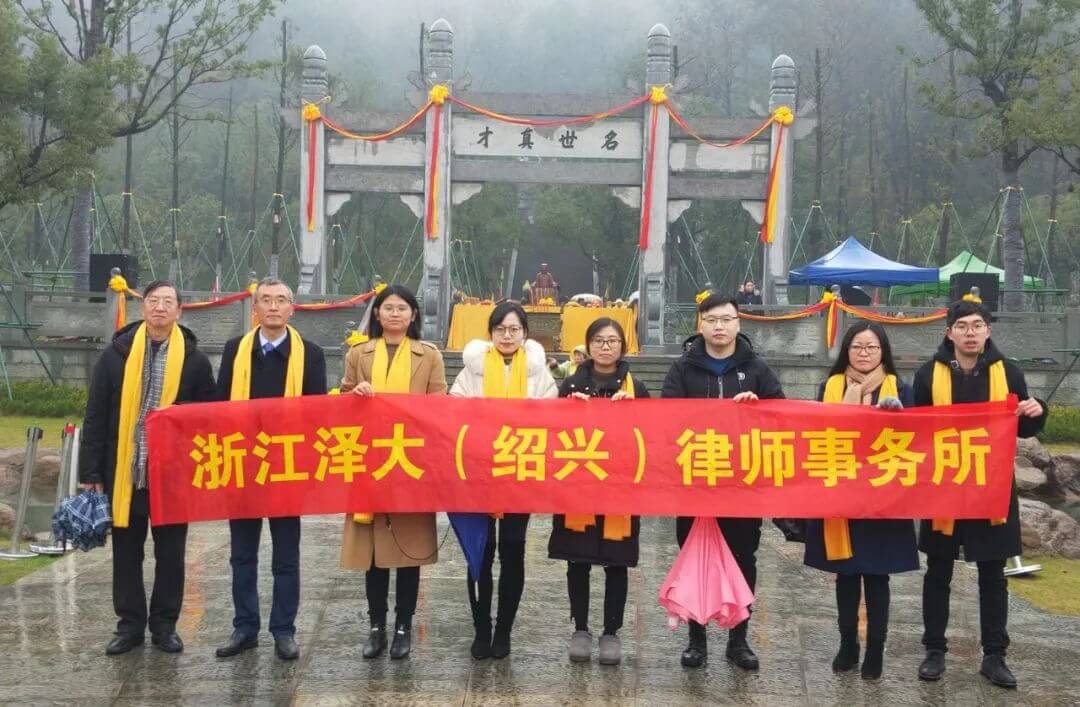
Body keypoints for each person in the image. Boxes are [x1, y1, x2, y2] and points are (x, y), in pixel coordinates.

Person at [914, 299, 1047, 689]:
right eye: (962, 326)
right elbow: (914, 429)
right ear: (949, 332)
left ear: (988, 330)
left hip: (992, 488)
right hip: (944, 486)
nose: (970, 333)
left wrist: (1037, 410)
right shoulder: (928, 374)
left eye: (977, 325)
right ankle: (934, 650)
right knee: (938, 572)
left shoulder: (1009, 373)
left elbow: (1022, 428)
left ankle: (994, 656)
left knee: (993, 574)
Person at [79, 280, 215, 656]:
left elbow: (209, 417)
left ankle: (165, 626)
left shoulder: (194, 361)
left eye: (168, 302)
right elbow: (95, 415)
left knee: (170, 555)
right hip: (124, 471)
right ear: (143, 308)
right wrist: (90, 473)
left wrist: (180, 421)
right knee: (126, 553)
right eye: (153, 301)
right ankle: (129, 626)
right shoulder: (116, 355)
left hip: (172, 475)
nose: (159, 308)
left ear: (179, 311)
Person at [661, 292, 784, 670]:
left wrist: (757, 409)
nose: (719, 326)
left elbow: (782, 415)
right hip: (695, 481)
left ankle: (739, 639)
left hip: (742, 485)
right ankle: (696, 640)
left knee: (744, 558)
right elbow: (665, 420)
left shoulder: (757, 369)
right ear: (700, 324)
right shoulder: (682, 369)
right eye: (712, 319)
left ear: (738, 323)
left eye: (726, 319)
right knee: (695, 556)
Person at [214, 278, 326, 661]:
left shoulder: (310, 354)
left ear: (292, 308)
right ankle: (245, 627)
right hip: (243, 465)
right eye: (266, 300)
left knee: (286, 557)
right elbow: (219, 406)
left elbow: (316, 414)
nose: (273, 307)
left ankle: (283, 630)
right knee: (242, 555)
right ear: (255, 308)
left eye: (281, 300)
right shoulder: (236, 350)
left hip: (286, 468)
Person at [803, 322, 919, 680]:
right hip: (842, 492)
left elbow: (918, 439)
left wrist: (900, 418)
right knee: (847, 574)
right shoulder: (830, 387)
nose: (864, 353)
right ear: (846, 351)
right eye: (857, 346)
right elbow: (815, 433)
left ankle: (875, 650)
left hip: (884, 495)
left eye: (871, 347)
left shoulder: (900, 388)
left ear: (883, 351)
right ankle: (848, 644)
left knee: (878, 576)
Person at [339, 284, 446, 660]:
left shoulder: (428, 355)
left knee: (408, 551)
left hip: (410, 463)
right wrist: (354, 394)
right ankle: (376, 627)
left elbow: (440, 406)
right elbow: (340, 400)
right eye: (388, 308)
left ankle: (403, 626)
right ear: (377, 314)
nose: (395, 314)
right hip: (370, 462)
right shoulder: (359, 353)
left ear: (413, 314)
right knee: (374, 555)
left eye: (402, 308)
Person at [450, 301, 558, 659]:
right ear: (491, 333)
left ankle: (504, 630)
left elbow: (552, 417)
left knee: (513, 550)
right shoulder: (472, 371)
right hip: (478, 474)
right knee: (479, 552)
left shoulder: (539, 374)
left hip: (519, 473)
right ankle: (481, 628)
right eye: (500, 329)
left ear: (524, 333)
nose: (507, 336)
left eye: (514, 329)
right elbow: (453, 412)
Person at [549, 318, 649, 666]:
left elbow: (652, 437)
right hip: (578, 485)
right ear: (588, 345)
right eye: (599, 341)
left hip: (620, 488)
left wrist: (634, 411)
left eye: (612, 341)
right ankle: (580, 628)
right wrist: (569, 409)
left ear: (623, 346)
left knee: (616, 562)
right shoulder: (570, 384)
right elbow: (551, 433)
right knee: (577, 560)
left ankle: (611, 632)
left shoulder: (638, 388)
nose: (606, 347)